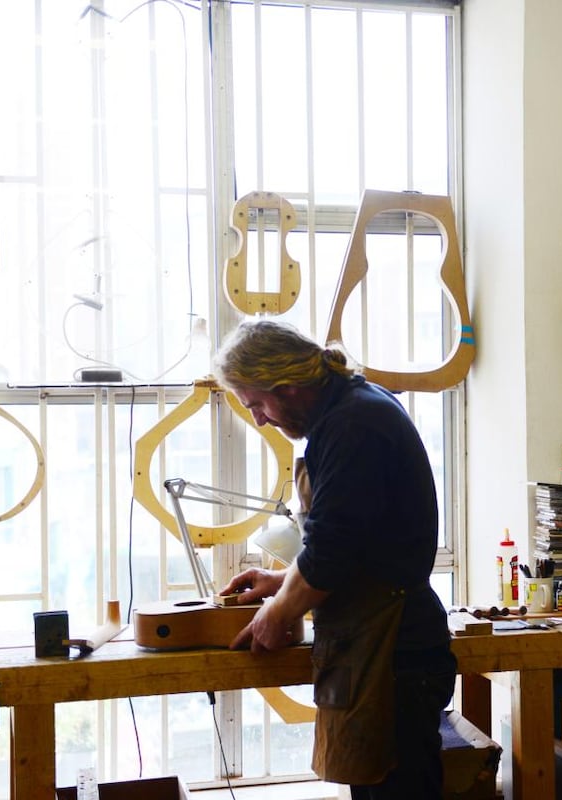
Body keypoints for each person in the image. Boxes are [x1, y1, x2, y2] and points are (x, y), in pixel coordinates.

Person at [214, 319, 456, 800]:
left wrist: (278, 612)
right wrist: (281, 580)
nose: (260, 420)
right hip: (378, 644)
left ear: (289, 388)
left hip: (394, 654)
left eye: (258, 404)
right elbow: (359, 543)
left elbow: (332, 551)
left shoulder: (353, 424)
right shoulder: (345, 414)